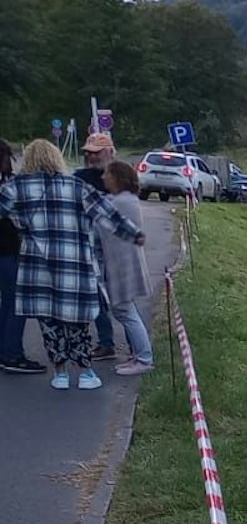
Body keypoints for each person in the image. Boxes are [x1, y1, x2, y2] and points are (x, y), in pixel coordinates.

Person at [0, 140, 145, 391]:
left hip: (37, 268)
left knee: (50, 323)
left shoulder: (15, 188)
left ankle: (60, 373)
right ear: (57, 158)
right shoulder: (77, 186)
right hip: (74, 266)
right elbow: (107, 214)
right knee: (77, 323)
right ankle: (86, 373)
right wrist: (134, 235)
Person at [96, 160, 152, 375]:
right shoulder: (126, 200)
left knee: (125, 312)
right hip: (124, 263)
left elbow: (97, 221)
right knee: (126, 311)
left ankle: (144, 358)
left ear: (117, 178)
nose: (103, 178)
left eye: (107, 174)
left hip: (120, 265)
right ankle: (139, 356)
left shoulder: (117, 202)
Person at [73, 132, 118, 358]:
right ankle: (106, 341)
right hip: (90, 242)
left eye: (96, 152)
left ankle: (138, 350)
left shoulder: (120, 176)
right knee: (95, 293)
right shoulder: (80, 177)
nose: (91, 157)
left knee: (122, 297)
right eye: (88, 153)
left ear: (110, 152)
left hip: (117, 244)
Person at [0, 140, 37, 375]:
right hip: (7, 250)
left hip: (7, 248)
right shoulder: (7, 185)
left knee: (8, 301)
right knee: (16, 302)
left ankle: (5, 349)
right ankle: (12, 353)